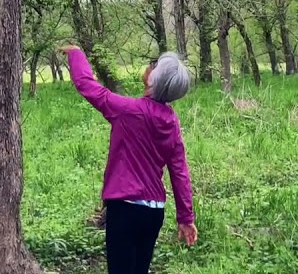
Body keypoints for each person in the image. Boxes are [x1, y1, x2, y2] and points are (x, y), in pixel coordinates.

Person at [61, 45, 197, 274]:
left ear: (155, 80)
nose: (149, 65)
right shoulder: (171, 122)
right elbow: (179, 171)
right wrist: (185, 217)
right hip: (154, 212)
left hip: (125, 209)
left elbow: (88, 86)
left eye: (154, 65)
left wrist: (76, 53)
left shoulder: (127, 110)